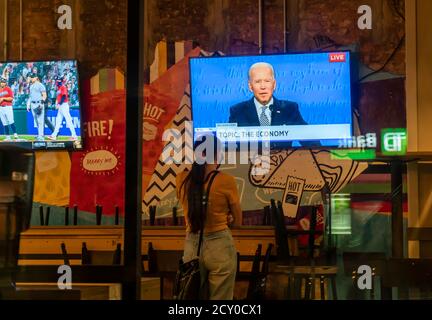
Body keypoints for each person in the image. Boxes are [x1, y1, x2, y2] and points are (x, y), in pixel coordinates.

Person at [176, 135, 242, 300]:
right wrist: (229, 219)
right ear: (217, 154)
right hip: (220, 245)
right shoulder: (226, 181)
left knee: (189, 297)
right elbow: (238, 222)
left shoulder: (182, 179)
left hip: (191, 247)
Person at [229, 62, 307, 127]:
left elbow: (310, 140)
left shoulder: (290, 109)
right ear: (250, 86)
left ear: (274, 84)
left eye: (267, 81)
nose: (263, 87)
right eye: (258, 82)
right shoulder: (238, 111)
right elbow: (228, 143)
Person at [26, 73, 47, 141]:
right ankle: (39, 135)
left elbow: (44, 95)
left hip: (39, 103)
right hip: (32, 104)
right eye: (31, 77)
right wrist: (28, 104)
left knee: (40, 121)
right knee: (36, 121)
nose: (31, 79)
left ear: (36, 77)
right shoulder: (31, 86)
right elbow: (30, 96)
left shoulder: (41, 85)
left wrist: (41, 103)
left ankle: (41, 136)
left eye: (32, 77)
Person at [0, 76, 19, 141]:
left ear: (5, 83)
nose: (2, 83)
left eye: (3, 82)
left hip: (8, 107)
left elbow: (11, 98)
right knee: (4, 123)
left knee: (11, 121)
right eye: (1, 82)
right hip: (1, 108)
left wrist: (3, 98)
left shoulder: (8, 89)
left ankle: (15, 134)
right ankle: (8, 136)